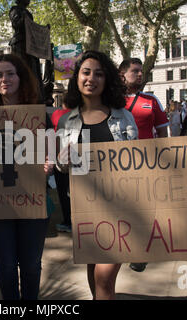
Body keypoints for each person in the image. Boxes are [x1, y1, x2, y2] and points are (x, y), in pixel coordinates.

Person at [56, 50, 138, 300]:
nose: (91, 78)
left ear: (107, 79)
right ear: (77, 78)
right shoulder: (65, 121)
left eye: (99, 74)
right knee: (94, 273)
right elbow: (62, 167)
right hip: (86, 211)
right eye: (86, 72)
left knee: (104, 278)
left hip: (121, 208)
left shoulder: (124, 117)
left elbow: (139, 162)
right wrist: (62, 161)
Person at [0, 53, 54, 300]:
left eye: (10, 73)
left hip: (32, 199)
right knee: (6, 265)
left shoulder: (41, 117)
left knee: (31, 265)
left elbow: (52, 152)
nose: (4, 79)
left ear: (21, 77)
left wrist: (50, 163)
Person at [118, 57, 169, 272]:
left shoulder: (152, 100)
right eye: (135, 71)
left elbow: (164, 131)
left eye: (141, 71)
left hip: (148, 164)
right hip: (119, 166)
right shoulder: (112, 101)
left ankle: (140, 252)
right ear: (122, 75)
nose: (140, 74)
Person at [51, 92, 71, 232]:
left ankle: (67, 221)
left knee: (64, 193)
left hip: (61, 157)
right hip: (79, 159)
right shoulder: (83, 114)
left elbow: (53, 136)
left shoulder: (56, 115)